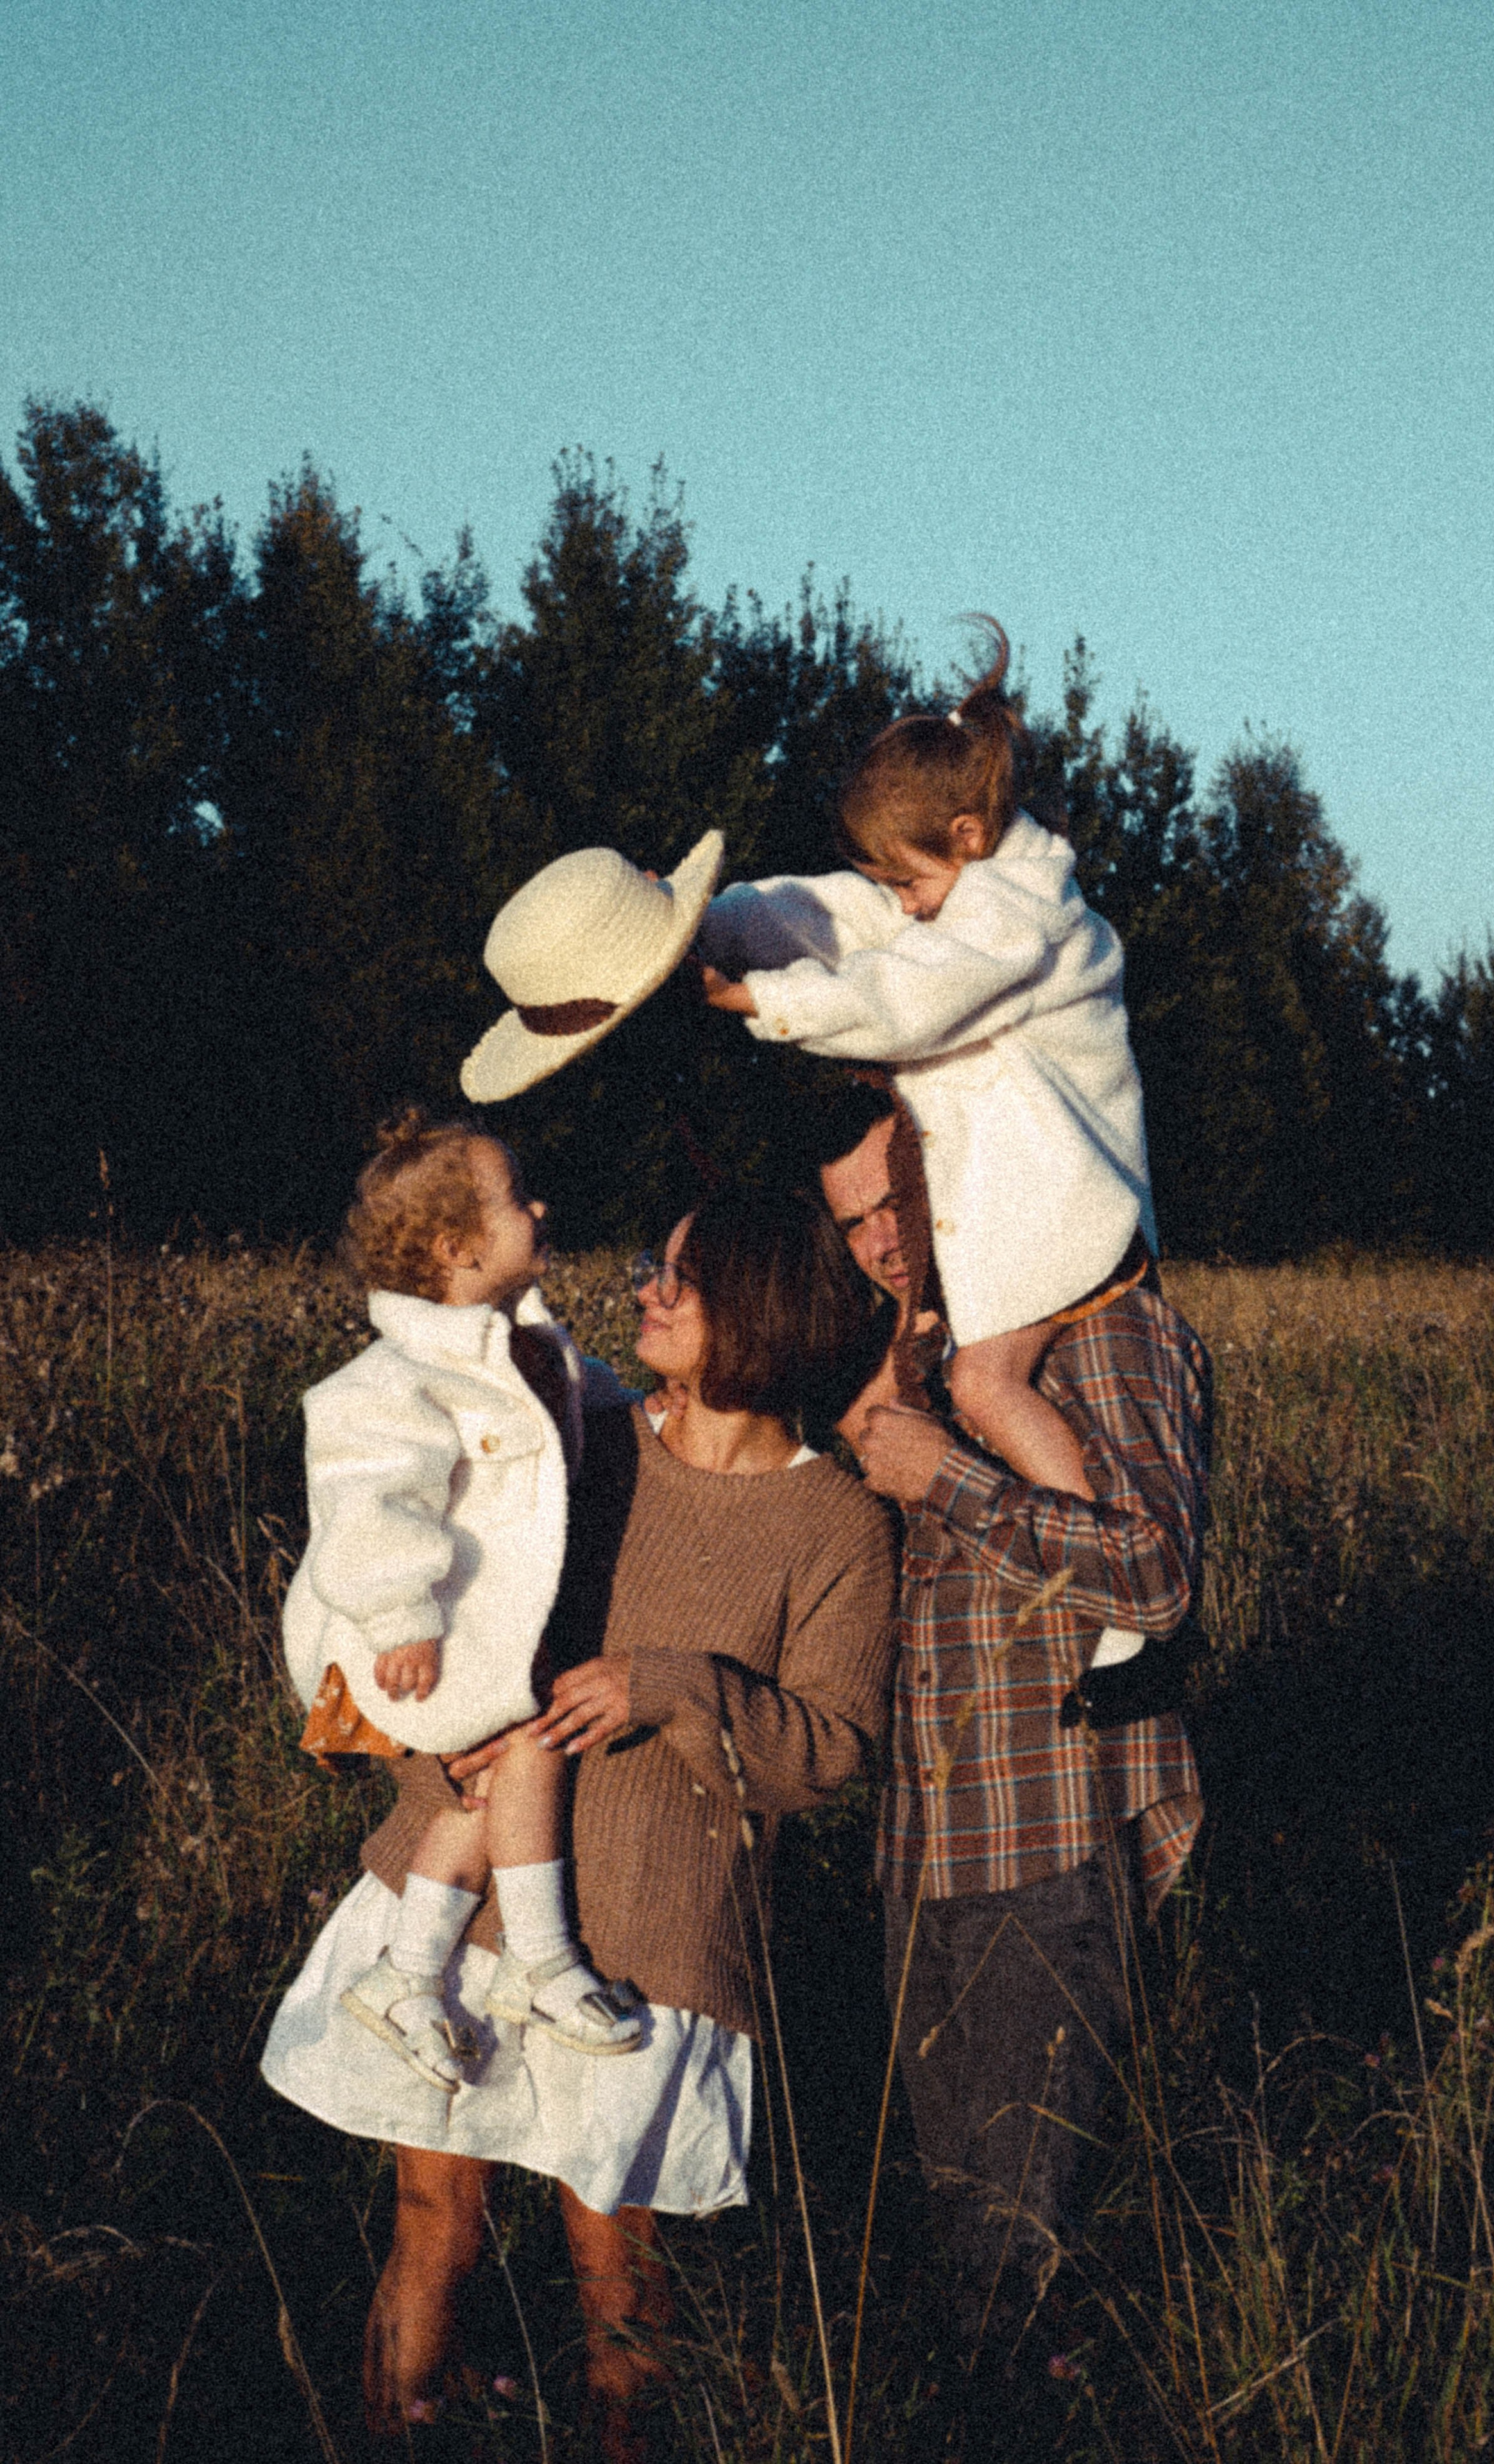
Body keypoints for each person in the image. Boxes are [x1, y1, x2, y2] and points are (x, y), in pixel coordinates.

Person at [262, 1185, 896, 2459]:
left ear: (762, 1310)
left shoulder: (837, 1523)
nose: (647, 1291)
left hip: (651, 1955)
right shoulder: (579, 1440)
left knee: (620, 2284)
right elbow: (423, 1591)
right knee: (434, 2226)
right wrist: (413, 1748)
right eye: (656, 1270)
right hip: (461, 1911)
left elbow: (826, 1754)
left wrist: (667, 1688)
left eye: (682, 1276)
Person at [814, 1083, 1209, 2434]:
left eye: (893, 1202)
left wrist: (944, 1476)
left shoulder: (1101, 1333)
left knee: (1021, 2261)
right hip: (923, 1854)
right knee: (957, 2230)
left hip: (1044, 1849)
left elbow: (1155, 1576)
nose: (877, 1242)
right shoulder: (920, 1355)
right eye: (851, 1222)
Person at [699, 618, 1155, 1503]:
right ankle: (1075, 1536)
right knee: (973, 1382)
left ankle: (1085, 1540)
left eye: (907, 883)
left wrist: (755, 999)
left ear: (968, 834)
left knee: (983, 1384)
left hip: (1069, 1215)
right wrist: (708, 926)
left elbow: (905, 999)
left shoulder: (1019, 920)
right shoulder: (961, 893)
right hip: (1029, 1212)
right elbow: (835, 918)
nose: (901, 909)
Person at [281, 1109, 640, 2075]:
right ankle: (542, 1957)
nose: (541, 1205)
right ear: (457, 1248)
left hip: (463, 1627)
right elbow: (366, 1502)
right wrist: (401, 1617)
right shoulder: (395, 1378)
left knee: (480, 1797)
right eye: (518, 1198)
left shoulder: (519, 1346)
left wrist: (638, 1407)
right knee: (529, 1739)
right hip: (387, 1634)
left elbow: (579, 1400)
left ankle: (405, 1974)